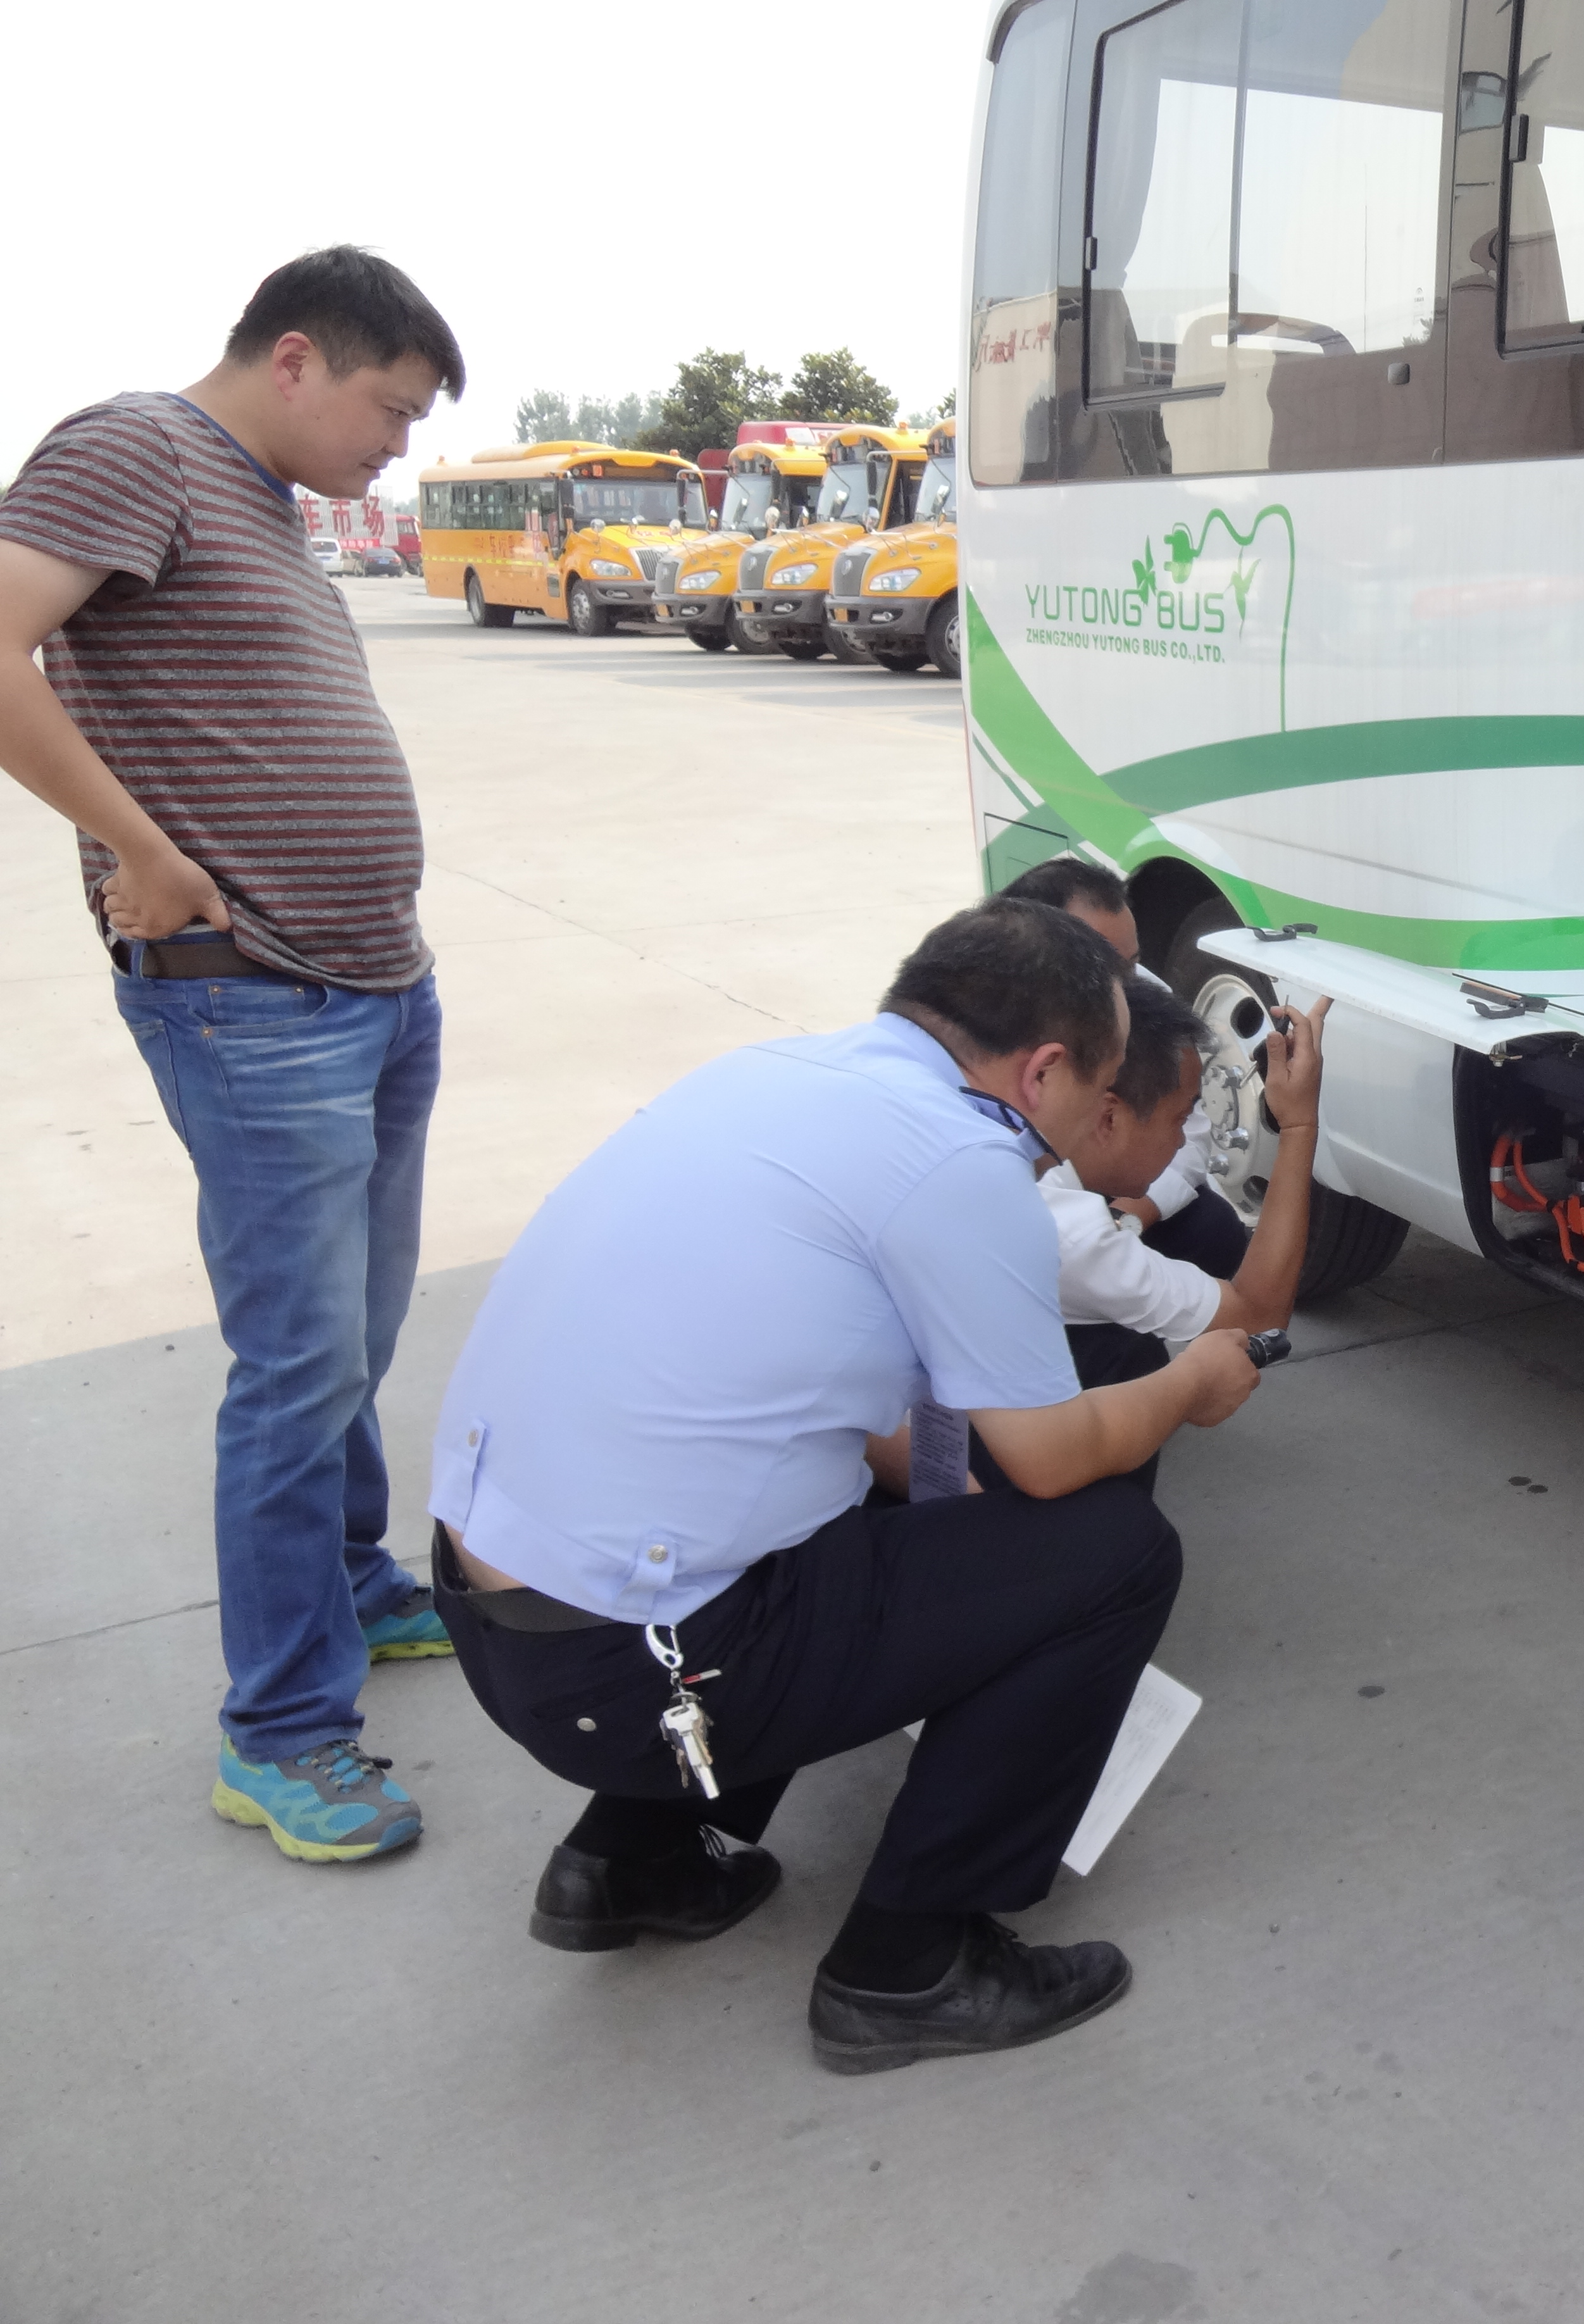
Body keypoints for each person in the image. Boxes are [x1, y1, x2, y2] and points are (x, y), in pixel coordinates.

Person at [427, 899, 1263, 2074]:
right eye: (1100, 1087)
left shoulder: (771, 1078)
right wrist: (1187, 1384)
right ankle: (910, 1964)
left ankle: (631, 1859)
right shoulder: (966, 1163)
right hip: (639, 1673)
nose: (1095, 1126)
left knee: (877, 1502)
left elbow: (884, 1427)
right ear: (1042, 1070)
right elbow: (1054, 1456)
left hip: (499, 1621)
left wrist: (969, 1533)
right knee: (1114, 1552)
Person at [0, 248, 467, 1865]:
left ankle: (352, 1577)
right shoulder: (137, 447)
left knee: (357, 1335)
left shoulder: (260, 500)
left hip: (371, 986)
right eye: (389, 412)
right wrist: (139, 846)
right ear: (295, 357)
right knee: (297, 1365)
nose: (393, 451)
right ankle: (280, 1732)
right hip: (254, 999)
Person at [874, 977, 1330, 1502]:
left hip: (880, 1416)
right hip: (877, 1459)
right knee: (1127, 1528)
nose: (1182, 1140)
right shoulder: (1053, 1226)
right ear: (1109, 1115)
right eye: (1179, 1119)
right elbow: (1259, 1315)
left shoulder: (960, 1115)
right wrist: (1299, 1125)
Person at [998, 856, 1249, 1277]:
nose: (1124, 985)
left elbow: (1190, 1130)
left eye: (1130, 963)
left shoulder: (1143, 997)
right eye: (1101, 967)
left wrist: (1132, 1215)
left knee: (1213, 1228)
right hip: (1026, 1208)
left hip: (1118, 1195)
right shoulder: (986, 1025)